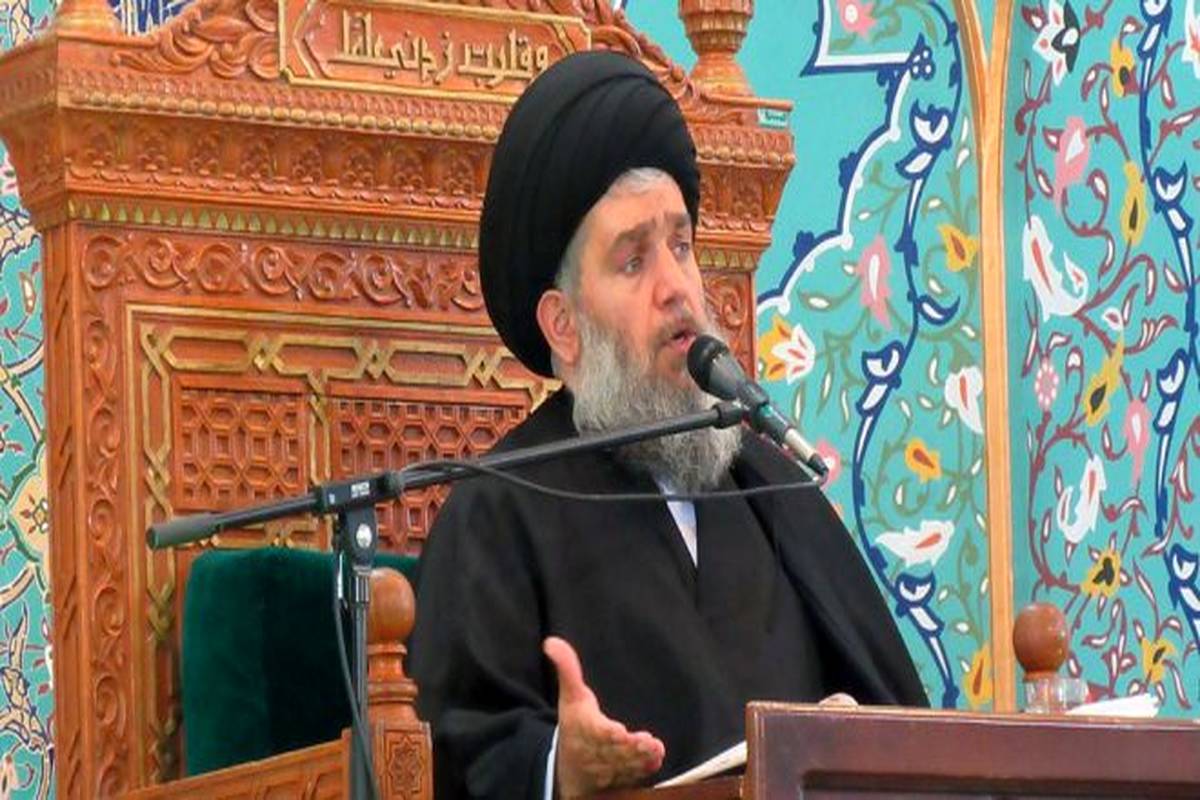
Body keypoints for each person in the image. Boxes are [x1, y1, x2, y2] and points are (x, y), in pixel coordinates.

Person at [409, 51, 927, 800]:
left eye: (681, 247)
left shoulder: (769, 488)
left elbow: (900, 722)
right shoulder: (498, 510)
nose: (677, 287)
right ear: (563, 326)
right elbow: (452, 755)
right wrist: (559, 767)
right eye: (633, 261)